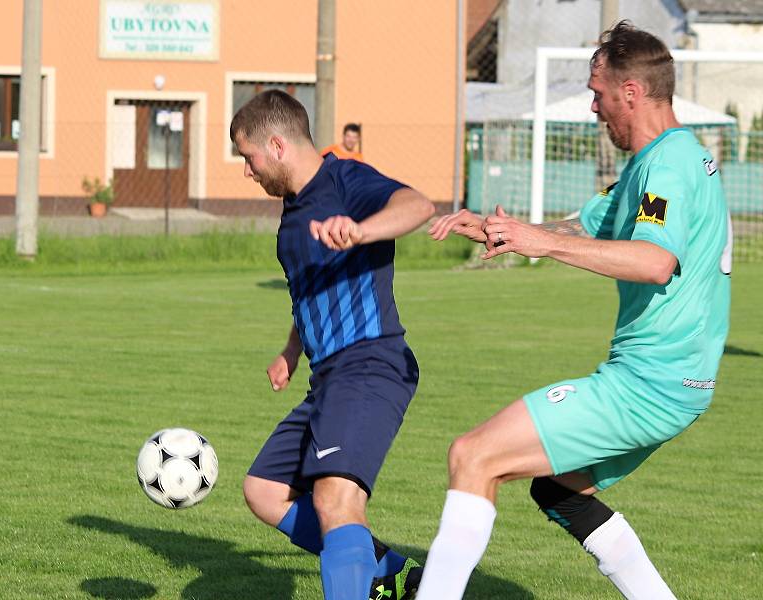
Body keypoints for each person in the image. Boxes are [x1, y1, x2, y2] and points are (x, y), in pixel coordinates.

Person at [417, 21, 731, 600]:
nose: (592, 106)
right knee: (558, 489)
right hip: (679, 382)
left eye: (597, 91)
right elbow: (581, 227)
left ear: (630, 92)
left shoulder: (667, 166)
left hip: (649, 382)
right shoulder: (658, 164)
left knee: (473, 455)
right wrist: (501, 229)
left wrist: (542, 245)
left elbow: (654, 260)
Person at [230, 90, 435, 600]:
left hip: (371, 362)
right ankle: (389, 571)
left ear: (276, 145)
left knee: (335, 499)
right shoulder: (290, 222)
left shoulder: (343, 179)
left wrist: (361, 230)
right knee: (264, 491)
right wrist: (290, 350)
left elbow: (418, 206)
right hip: (328, 378)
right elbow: (308, 296)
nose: (247, 171)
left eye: (248, 157)